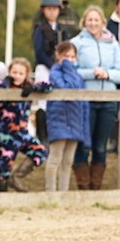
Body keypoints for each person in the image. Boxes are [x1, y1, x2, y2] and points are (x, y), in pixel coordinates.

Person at [71, 5, 120, 190]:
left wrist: (107, 74)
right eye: (90, 20)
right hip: (85, 100)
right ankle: (83, 185)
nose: (93, 23)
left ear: (103, 22)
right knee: (83, 145)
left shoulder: (112, 43)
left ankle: (96, 187)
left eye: (97, 20)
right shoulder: (77, 43)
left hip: (108, 100)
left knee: (101, 146)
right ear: (84, 22)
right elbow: (72, 71)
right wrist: (92, 73)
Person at [0, 57, 48, 192]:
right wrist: (6, 82)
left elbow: (48, 86)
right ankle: (1, 196)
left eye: (21, 73)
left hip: (22, 133)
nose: (17, 76)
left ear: (26, 75)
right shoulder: (4, 87)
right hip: (5, 133)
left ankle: (15, 177)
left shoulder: (28, 88)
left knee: (40, 151)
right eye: (14, 72)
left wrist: (34, 87)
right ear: (9, 72)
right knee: (3, 167)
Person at [45, 41, 89, 192]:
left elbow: (83, 99)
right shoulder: (55, 73)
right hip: (59, 118)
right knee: (55, 158)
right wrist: (68, 68)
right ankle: (50, 192)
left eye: (72, 57)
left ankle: (63, 192)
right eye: (66, 56)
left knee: (68, 160)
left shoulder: (79, 76)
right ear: (58, 55)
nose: (69, 60)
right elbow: (67, 88)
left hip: (75, 119)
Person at [31, 0, 70, 141]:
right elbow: (39, 51)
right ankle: (42, 136)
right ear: (44, 10)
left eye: (55, 8)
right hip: (44, 67)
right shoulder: (39, 28)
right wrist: (52, 65)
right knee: (43, 100)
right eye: (49, 8)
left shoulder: (62, 29)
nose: (52, 11)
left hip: (58, 67)